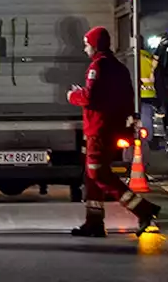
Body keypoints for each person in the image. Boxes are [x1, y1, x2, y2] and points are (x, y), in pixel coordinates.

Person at [67, 26, 160, 237]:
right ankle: (94, 222)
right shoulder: (119, 67)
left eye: (86, 45)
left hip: (99, 131)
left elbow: (90, 97)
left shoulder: (97, 67)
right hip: (112, 129)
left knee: (99, 174)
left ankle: (143, 209)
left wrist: (73, 96)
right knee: (92, 178)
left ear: (94, 45)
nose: (85, 49)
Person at [138, 46, 157, 138]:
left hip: (137, 93)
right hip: (150, 93)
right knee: (147, 118)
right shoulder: (150, 58)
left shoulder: (134, 58)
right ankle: (148, 139)